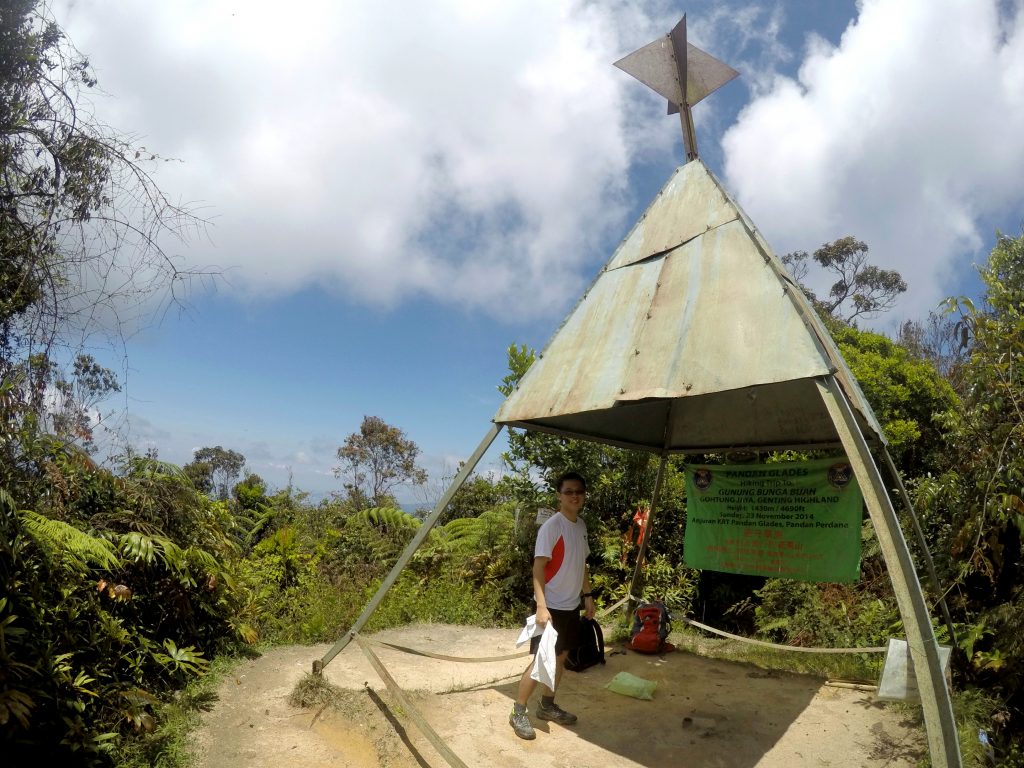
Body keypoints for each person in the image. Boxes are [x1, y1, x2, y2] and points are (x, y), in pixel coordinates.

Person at [509, 471, 596, 740]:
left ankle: (547, 705)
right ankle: (518, 712)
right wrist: (541, 606)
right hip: (550, 607)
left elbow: (582, 564)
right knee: (541, 662)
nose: (574, 496)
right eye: (568, 491)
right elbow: (538, 569)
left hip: (570, 606)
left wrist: (588, 596)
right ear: (559, 495)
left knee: (559, 659)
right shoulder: (552, 527)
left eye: (579, 491)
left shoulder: (580, 525)